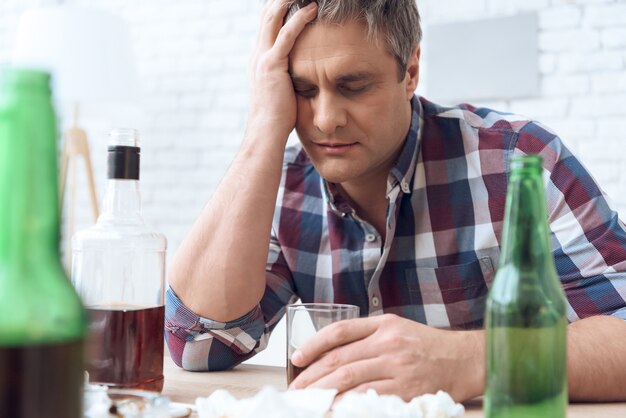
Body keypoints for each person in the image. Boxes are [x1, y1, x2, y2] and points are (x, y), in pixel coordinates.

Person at [165, 0, 626, 402]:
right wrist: (263, 128)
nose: (325, 120)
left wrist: (469, 360)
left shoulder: (517, 161)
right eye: (303, 90)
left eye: (354, 85)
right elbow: (198, 343)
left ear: (410, 72)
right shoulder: (280, 183)